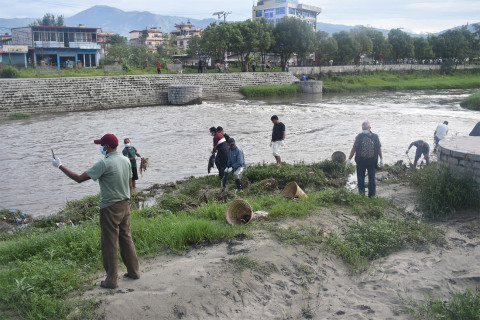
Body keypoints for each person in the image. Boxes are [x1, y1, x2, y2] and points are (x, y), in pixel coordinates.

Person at [51, 133, 140, 289]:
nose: (100, 147)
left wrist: (60, 166)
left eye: (101, 145)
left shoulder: (104, 164)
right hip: (125, 204)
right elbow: (129, 182)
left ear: (106, 147)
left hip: (110, 208)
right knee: (126, 238)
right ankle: (134, 272)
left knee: (110, 243)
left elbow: (79, 178)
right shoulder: (125, 160)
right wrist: (129, 199)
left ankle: (111, 280)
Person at [346, 121, 383, 197]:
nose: (364, 130)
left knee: (372, 179)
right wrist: (349, 159)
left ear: (369, 128)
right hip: (361, 161)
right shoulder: (359, 137)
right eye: (363, 128)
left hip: (372, 161)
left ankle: (371, 196)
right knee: (360, 179)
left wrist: (381, 159)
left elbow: (379, 148)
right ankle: (361, 195)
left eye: (366, 128)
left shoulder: (375, 137)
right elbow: (354, 148)